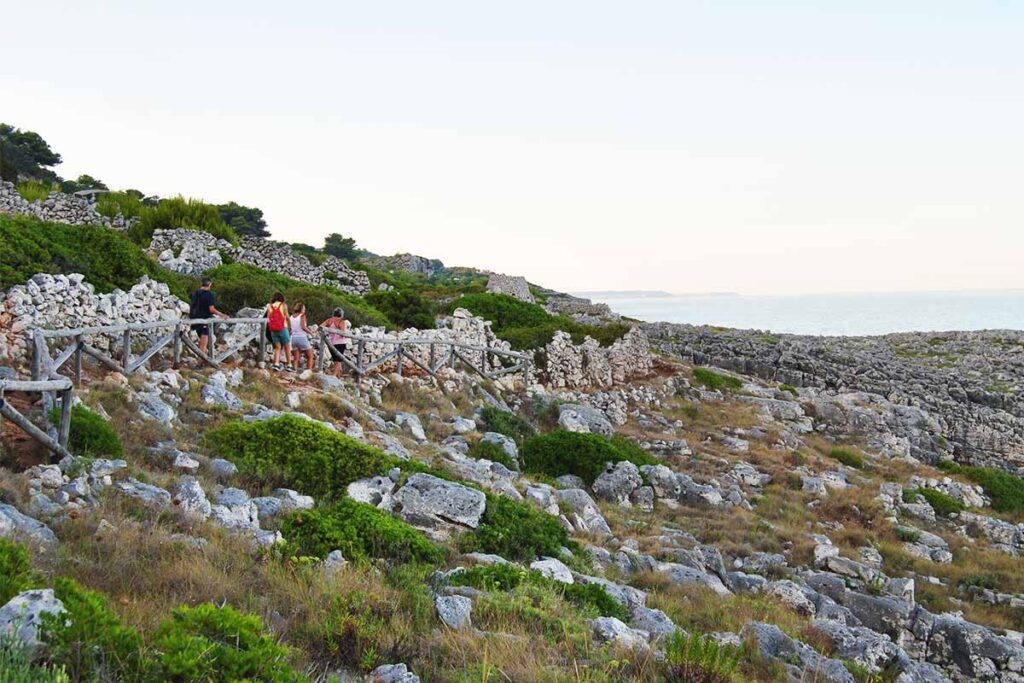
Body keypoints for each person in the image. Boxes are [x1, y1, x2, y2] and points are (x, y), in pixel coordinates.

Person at [189, 277, 227, 355]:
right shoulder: (209, 295)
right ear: (210, 284)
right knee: (203, 343)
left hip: (195, 320)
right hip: (205, 320)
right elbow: (211, 309)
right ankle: (200, 361)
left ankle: (203, 359)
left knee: (201, 341)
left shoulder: (195, 293)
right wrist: (222, 315)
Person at [266, 292, 292, 371]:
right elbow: (287, 317)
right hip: (283, 328)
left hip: (273, 329)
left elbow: (268, 319)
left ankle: (276, 364)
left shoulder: (270, 306)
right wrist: (290, 327)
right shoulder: (283, 305)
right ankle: (289, 365)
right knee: (287, 347)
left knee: (277, 347)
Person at [321, 307, 350, 377]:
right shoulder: (341, 322)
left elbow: (321, 326)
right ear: (341, 315)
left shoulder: (329, 320)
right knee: (338, 360)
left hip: (331, 343)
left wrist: (327, 332)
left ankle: (338, 375)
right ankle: (334, 375)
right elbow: (342, 333)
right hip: (341, 342)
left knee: (335, 359)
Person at [289, 302, 314, 371]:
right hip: (301, 337)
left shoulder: (291, 316)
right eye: (304, 308)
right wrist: (311, 333)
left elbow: (289, 328)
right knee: (310, 356)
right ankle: (309, 372)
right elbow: (303, 327)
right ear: (302, 309)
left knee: (296, 357)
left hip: (293, 338)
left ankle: (294, 371)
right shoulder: (302, 316)